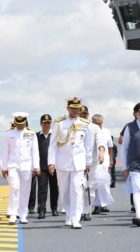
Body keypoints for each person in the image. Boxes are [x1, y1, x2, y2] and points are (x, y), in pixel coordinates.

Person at [48, 97, 92, 229]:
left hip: (78, 163)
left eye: (77, 108)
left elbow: (87, 145)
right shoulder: (59, 123)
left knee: (77, 189)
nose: (75, 110)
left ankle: (76, 218)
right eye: (73, 108)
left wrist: (88, 162)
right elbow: (52, 145)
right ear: (68, 108)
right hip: (62, 162)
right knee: (64, 190)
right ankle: (68, 214)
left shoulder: (85, 124)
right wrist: (51, 162)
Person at [1, 112, 40, 224]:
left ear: (25, 122)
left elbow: (35, 151)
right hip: (13, 165)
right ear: (15, 123)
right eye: (18, 124)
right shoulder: (9, 134)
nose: (20, 126)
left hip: (26, 166)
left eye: (22, 123)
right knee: (14, 188)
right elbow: (5, 152)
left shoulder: (31, 134)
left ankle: (23, 214)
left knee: (25, 190)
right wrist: (4, 167)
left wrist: (36, 166)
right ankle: (13, 214)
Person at [78, 105, 106, 221]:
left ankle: (86, 210)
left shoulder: (94, 127)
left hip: (92, 162)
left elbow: (100, 141)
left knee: (90, 188)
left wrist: (101, 153)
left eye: (85, 114)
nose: (83, 116)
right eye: (81, 114)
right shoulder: (74, 126)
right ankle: (77, 211)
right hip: (77, 162)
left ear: (88, 115)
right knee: (78, 188)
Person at [30, 114, 59, 219]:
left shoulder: (55, 135)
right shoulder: (36, 136)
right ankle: (41, 210)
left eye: (48, 123)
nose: (47, 125)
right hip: (41, 167)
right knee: (42, 190)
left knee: (54, 189)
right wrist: (34, 166)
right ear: (40, 124)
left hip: (54, 166)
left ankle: (54, 209)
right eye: (45, 123)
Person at [91, 114, 114, 214]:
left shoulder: (107, 131)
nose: (98, 125)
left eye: (99, 124)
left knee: (104, 182)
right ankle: (96, 205)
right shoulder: (90, 131)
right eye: (95, 123)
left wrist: (111, 160)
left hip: (105, 160)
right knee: (95, 182)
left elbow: (110, 147)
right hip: (93, 160)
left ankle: (104, 204)